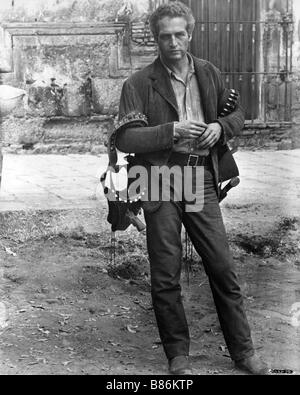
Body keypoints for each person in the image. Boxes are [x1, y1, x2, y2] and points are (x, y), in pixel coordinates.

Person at [114, 1, 268, 375]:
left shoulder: (209, 73)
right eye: (164, 36)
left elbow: (236, 114)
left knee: (222, 267)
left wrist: (220, 128)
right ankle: (178, 355)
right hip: (158, 177)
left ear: (190, 33)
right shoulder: (138, 83)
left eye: (179, 34)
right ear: (155, 38)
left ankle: (243, 352)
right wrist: (172, 131)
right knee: (165, 273)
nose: (173, 42)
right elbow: (126, 137)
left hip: (200, 177)